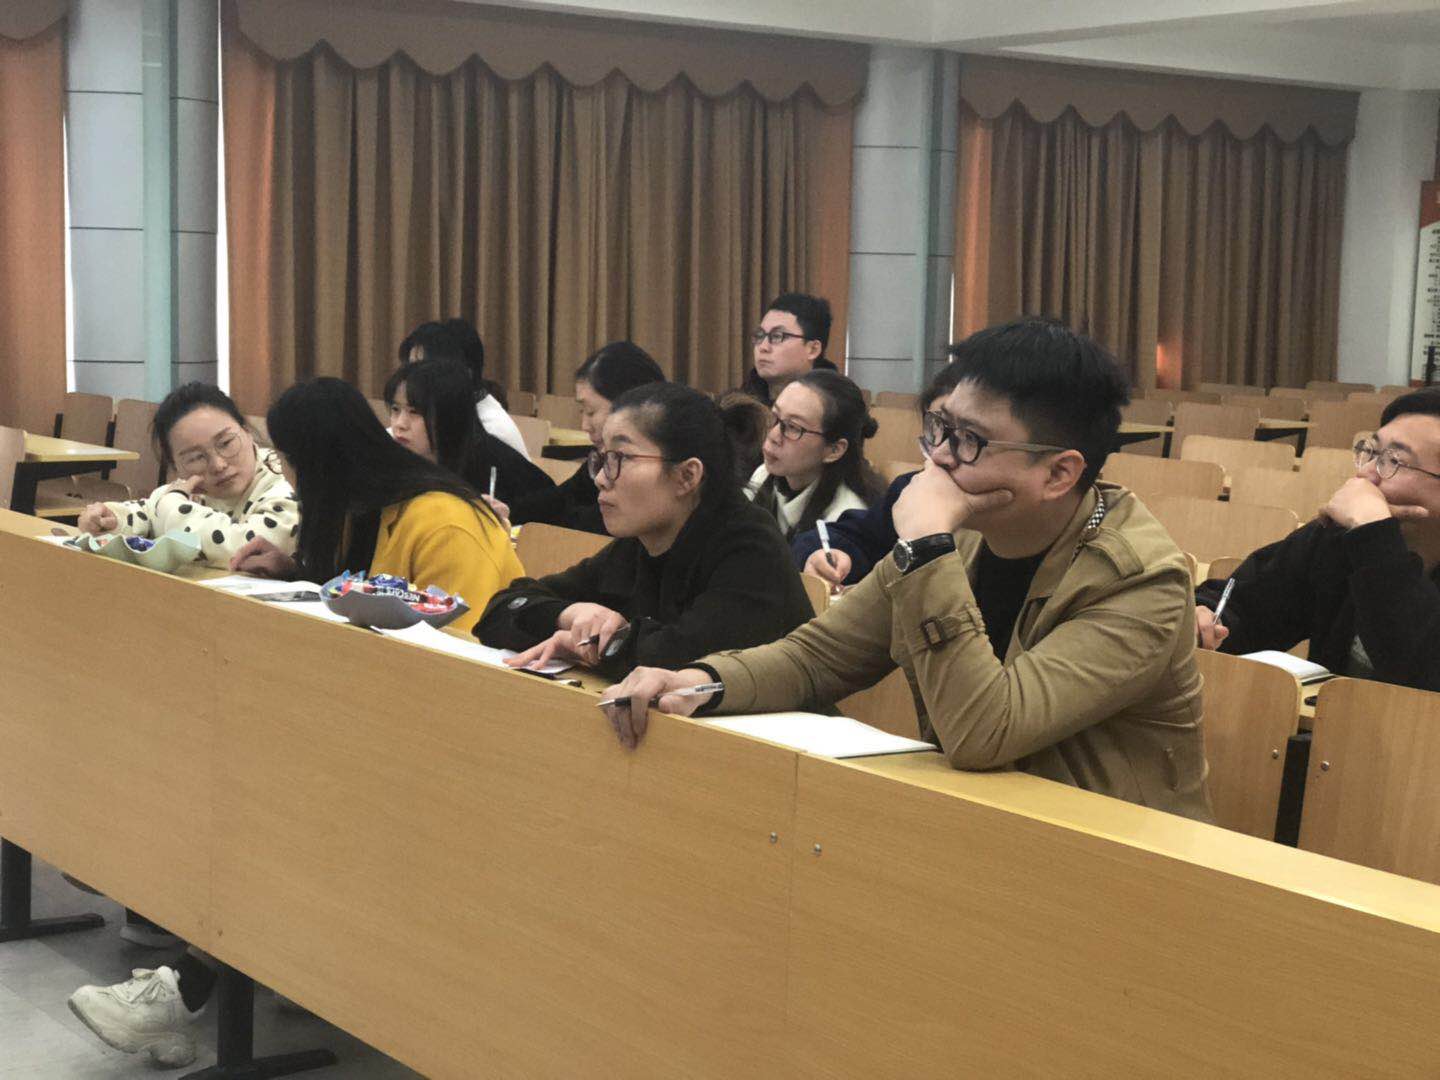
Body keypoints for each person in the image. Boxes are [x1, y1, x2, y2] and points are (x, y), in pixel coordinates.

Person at [599, 318, 1214, 822]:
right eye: (940, 428)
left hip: (1118, 858)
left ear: (1058, 473)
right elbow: (818, 657)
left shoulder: (1141, 581)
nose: (939, 458)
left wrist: (925, 545)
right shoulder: (970, 533)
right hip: (988, 821)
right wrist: (699, 681)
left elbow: (984, 731)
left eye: (970, 441)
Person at [478, 384, 813, 677]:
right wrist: (570, 614)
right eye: (602, 458)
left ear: (687, 476)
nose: (601, 478)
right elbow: (500, 610)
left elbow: (680, 657)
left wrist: (586, 645)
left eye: (620, 458)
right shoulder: (642, 543)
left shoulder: (750, 546)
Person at [229, 377, 523, 633]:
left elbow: (455, 645)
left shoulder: (445, 524)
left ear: (314, 467)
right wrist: (295, 573)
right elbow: (354, 591)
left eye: (281, 459)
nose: (283, 473)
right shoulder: (358, 507)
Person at [1194, 388, 1440, 691]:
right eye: (1372, 453)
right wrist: (1204, 616)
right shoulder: (1341, 538)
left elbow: (1421, 675)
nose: (1365, 474)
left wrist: (1375, 535)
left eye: (1394, 461)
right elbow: (1250, 607)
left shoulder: (1367, 535)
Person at [75, 382, 298, 570]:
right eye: (195, 458)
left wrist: (173, 504)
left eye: (226, 443)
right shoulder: (192, 491)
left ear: (247, 433)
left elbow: (241, 548)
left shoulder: (287, 480)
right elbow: (152, 511)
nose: (218, 465)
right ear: (176, 468)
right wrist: (111, 520)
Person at [792, 366, 964, 587]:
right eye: (936, 426)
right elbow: (858, 538)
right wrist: (828, 555)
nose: (940, 452)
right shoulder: (913, 489)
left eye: (966, 435)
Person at [508, 341, 665, 535]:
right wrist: (505, 511)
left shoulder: (648, 468)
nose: (584, 426)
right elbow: (561, 498)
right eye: (582, 412)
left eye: (591, 412)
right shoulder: (603, 458)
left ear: (629, 404)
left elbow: (596, 526)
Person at [385, 355, 554, 511]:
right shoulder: (394, 463)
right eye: (395, 409)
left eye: (415, 412)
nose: (399, 424)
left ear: (448, 416)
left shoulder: (488, 464)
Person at [745, 369, 883, 541]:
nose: (773, 436)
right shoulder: (763, 474)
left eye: (793, 427)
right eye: (775, 417)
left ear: (834, 450)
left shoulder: (844, 520)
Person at [398, 318, 531, 460]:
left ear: (464, 373)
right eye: (411, 368)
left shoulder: (491, 431)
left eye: (424, 370)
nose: (412, 379)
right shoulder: (439, 412)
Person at [738, 292, 838, 406]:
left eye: (777, 336)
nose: (763, 347)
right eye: (760, 335)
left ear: (813, 349)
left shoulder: (836, 408)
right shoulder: (739, 407)